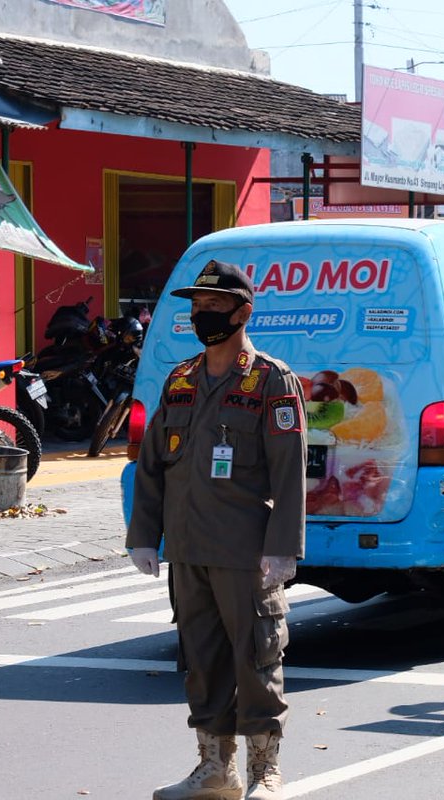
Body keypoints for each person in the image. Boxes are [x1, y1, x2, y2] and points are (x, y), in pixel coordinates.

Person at [127, 259, 307, 800]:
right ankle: (214, 769)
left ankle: (264, 773)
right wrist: (143, 534)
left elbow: (290, 470)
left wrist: (283, 547)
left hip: (245, 551)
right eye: (196, 307)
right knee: (200, 660)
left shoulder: (271, 381)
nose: (202, 316)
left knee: (256, 658)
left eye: (213, 307)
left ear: (242, 312)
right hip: (188, 549)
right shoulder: (180, 380)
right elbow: (153, 463)